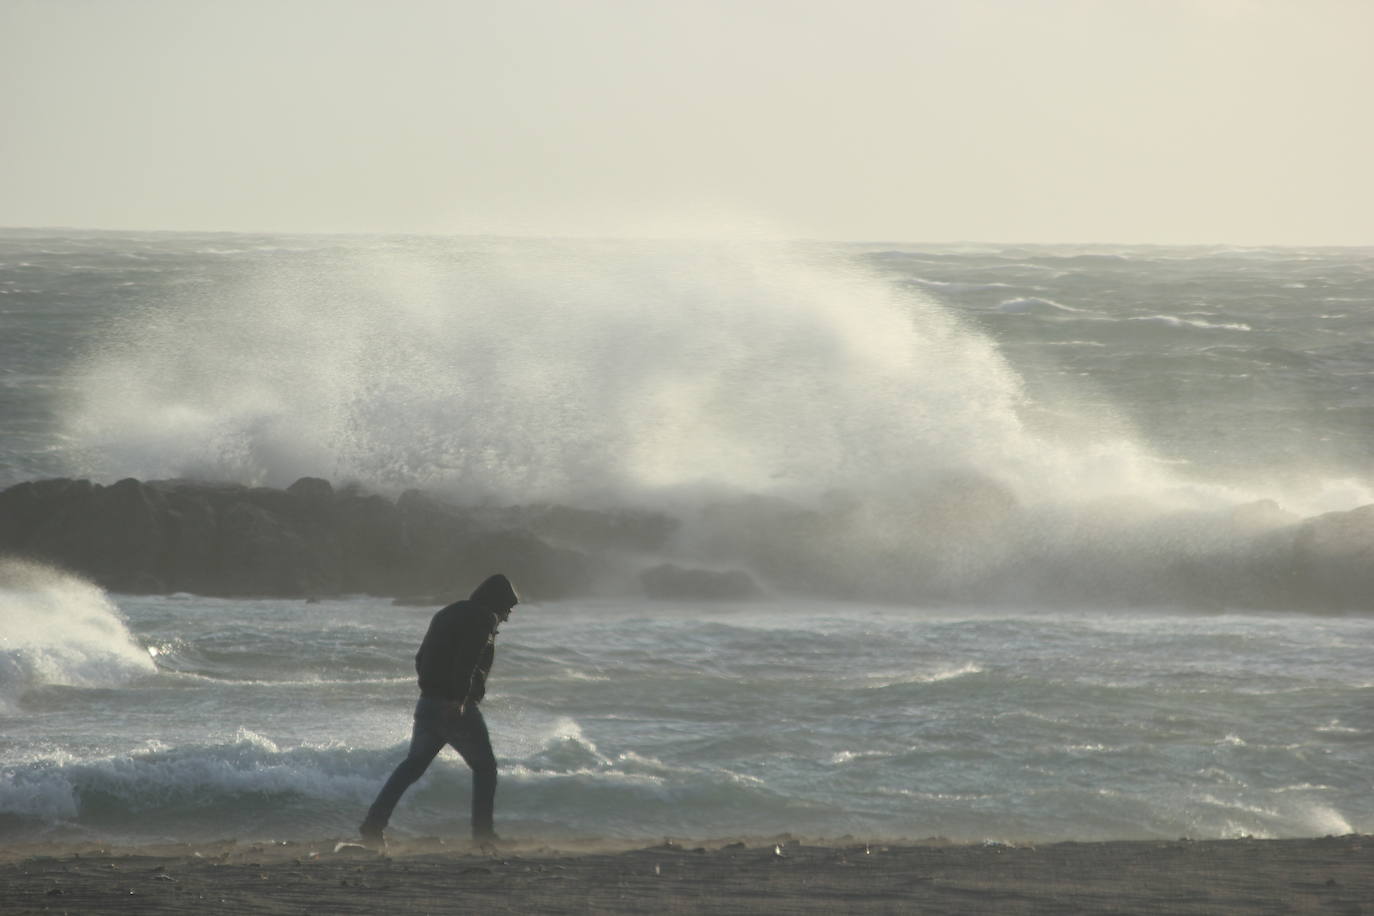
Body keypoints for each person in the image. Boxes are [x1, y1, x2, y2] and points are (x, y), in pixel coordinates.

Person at [360, 573, 520, 847]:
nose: (506, 617)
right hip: (455, 706)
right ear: (497, 603)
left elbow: (421, 658)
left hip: (428, 702)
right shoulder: (483, 618)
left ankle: (373, 825)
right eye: (507, 609)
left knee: (412, 767)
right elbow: (467, 660)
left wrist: (431, 690)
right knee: (486, 769)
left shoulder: (447, 613)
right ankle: (483, 836)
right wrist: (457, 699)